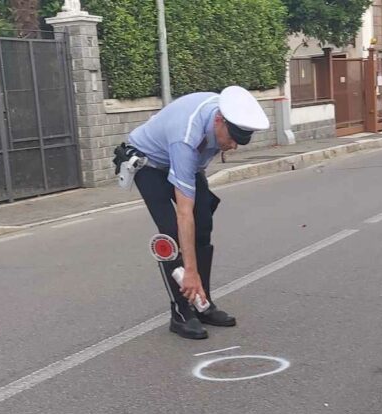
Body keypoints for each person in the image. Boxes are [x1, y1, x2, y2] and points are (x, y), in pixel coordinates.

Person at [114, 86, 269, 340]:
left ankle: (202, 303)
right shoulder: (186, 135)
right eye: (231, 139)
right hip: (150, 164)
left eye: (238, 142)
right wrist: (190, 271)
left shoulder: (226, 114)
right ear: (219, 120)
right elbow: (184, 213)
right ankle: (181, 312)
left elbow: (196, 200)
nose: (232, 146)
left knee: (204, 223)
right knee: (172, 235)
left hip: (183, 162)